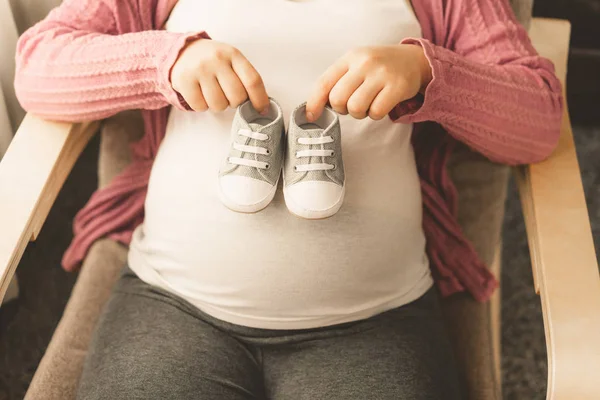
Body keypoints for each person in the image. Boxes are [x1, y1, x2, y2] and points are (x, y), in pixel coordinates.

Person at [14, 0, 563, 398]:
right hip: (173, 303)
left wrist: (429, 73)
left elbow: (538, 118)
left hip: (374, 320)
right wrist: (166, 62)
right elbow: (38, 66)